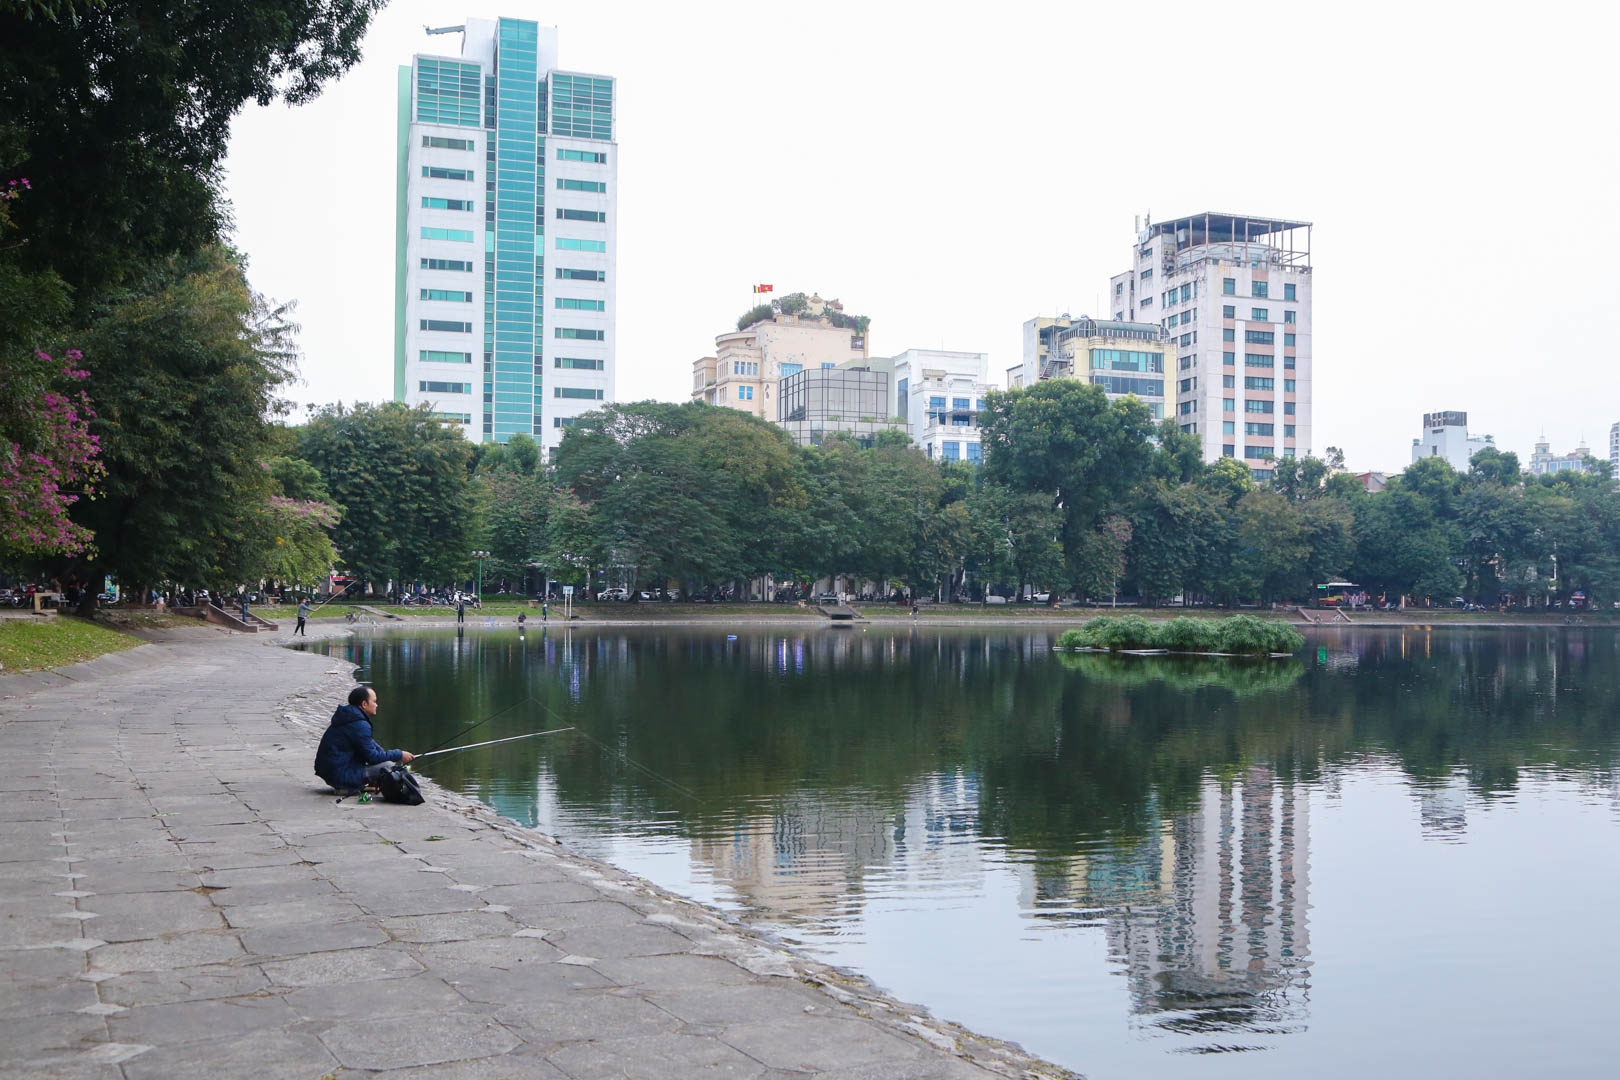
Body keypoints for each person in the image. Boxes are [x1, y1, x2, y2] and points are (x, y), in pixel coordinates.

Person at [313, 686, 415, 795]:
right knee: (389, 766)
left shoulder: (351, 718)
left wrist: (389, 754)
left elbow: (371, 745)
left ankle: (360, 784)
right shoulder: (359, 724)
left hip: (331, 771)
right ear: (364, 704)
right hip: (339, 774)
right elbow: (372, 757)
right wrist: (399, 754)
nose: (377, 705)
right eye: (374, 701)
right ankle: (347, 788)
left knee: (386, 763)